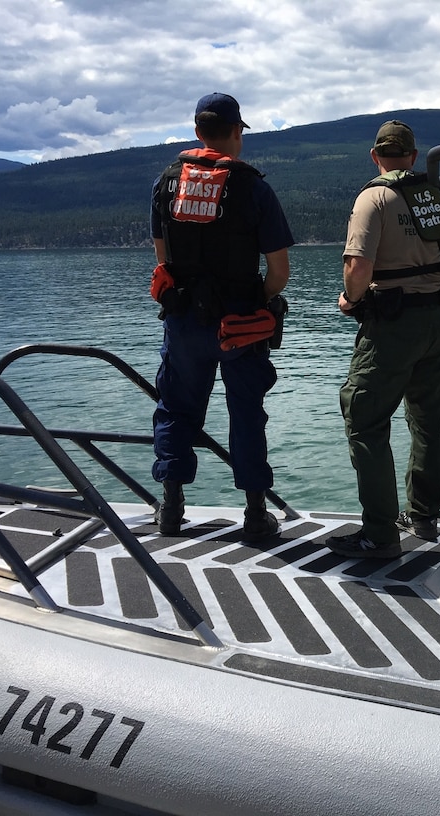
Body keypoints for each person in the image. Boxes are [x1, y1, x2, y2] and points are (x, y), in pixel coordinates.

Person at [325, 120, 440, 559]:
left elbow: (358, 268)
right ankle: (424, 516)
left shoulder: (373, 198)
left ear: (376, 157)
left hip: (392, 327)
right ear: (413, 158)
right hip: (438, 322)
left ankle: (379, 534)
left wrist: (350, 301)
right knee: (428, 421)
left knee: (364, 419)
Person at [149, 92, 294, 541]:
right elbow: (279, 274)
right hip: (240, 325)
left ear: (197, 132)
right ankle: (255, 515)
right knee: (246, 413)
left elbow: (163, 261)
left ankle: (171, 509)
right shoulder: (254, 188)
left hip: (184, 322)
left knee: (175, 409)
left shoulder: (166, 184)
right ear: (235, 133)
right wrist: (258, 297)